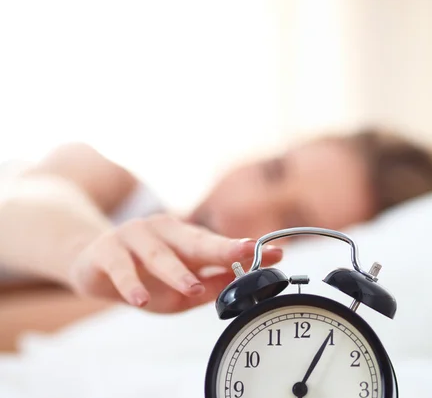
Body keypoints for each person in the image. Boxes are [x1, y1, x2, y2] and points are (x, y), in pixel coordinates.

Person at [1, 127, 432, 350]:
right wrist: (86, 250)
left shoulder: (180, 304)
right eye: (272, 171)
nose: (244, 205)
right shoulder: (114, 185)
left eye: (294, 220)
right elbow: (28, 200)